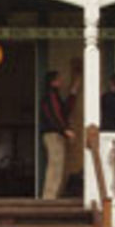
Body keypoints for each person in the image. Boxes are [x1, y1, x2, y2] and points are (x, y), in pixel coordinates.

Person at [39, 69, 79, 199]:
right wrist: (65, 130)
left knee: (57, 166)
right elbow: (54, 116)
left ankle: (51, 196)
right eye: (58, 79)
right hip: (52, 134)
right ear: (53, 82)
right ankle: (49, 198)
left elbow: (63, 111)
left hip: (55, 134)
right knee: (55, 166)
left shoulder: (54, 96)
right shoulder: (50, 96)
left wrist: (73, 91)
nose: (61, 81)